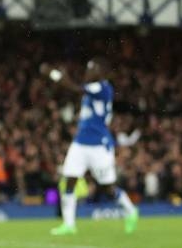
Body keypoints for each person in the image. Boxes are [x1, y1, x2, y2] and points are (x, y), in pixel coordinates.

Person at [46, 58, 139, 236]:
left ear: (100, 72)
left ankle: (131, 211)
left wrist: (56, 74)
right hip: (80, 143)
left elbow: (72, 88)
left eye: (91, 69)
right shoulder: (91, 89)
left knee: (108, 188)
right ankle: (69, 224)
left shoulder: (103, 88)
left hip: (98, 145)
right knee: (70, 179)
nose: (88, 72)